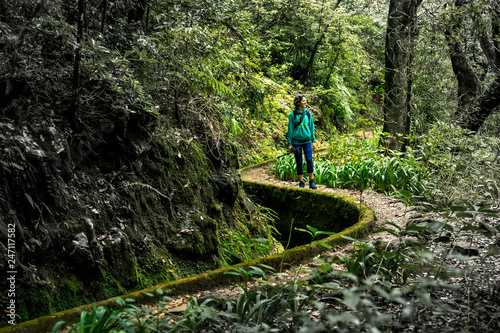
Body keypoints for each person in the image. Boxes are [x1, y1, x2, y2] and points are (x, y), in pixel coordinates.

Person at [286, 95, 317, 189]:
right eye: (303, 101)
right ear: (298, 102)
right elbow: (290, 129)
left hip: (307, 141)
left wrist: (313, 141)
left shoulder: (308, 114)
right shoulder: (292, 114)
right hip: (296, 142)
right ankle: (301, 182)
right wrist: (289, 143)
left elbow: (311, 127)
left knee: (309, 160)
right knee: (299, 161)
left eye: (305, 100)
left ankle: (311, 181)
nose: (305, 102)